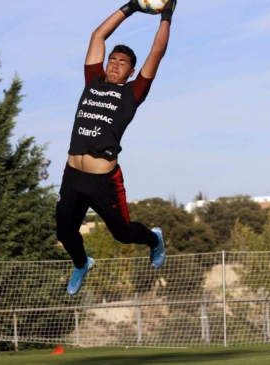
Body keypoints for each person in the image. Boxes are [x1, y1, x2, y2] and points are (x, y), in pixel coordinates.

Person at [55, 0, 177, 296]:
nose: (114, 65)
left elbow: (157, 52)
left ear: (131, 71)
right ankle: (82, 263)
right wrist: (131, 7)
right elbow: (98, 35)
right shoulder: (92, 81)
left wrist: (166, 16)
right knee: (64, 232)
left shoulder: (132, 93)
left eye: (122, 63)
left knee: (123, 234)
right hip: (73, 175)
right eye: (112, 60)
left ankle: (154, 239)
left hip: (103, 181)